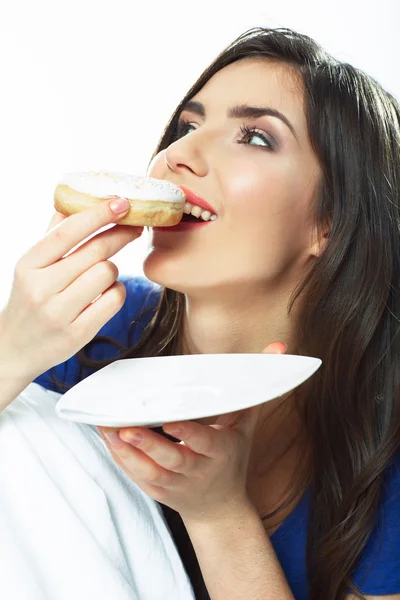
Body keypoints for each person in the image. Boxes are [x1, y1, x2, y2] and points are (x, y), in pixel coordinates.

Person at [1, 26, 399, 600]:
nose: (178, 155)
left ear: (329, 223)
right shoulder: (93, 331)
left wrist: (218, 515)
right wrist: (11, 348)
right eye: (188, 126)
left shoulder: (382, 446)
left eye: (255, 137)